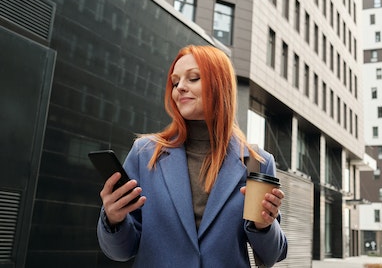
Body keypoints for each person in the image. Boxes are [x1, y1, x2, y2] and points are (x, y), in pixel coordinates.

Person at [96, 45, 288, 267]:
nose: (180, 88)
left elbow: (271, 256)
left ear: (220, 84)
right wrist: (113, 219)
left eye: (193, 78)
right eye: (175, 82)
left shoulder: (257, 162)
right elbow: (121, 252)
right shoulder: (145, 153)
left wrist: (264, 225)